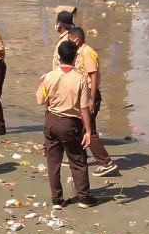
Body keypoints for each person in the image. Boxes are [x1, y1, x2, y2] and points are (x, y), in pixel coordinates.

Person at [52, 21, 116, 177]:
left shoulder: (87, 53)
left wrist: (92, 99)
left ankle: (106, 162)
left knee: (89, 129)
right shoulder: (80, 52)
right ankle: (79, 157)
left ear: (77, 40)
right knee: (80, 127)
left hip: (89, 94)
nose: (67, 42)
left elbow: (93, 76)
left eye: (69, 40)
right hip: (84, 93)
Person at [38, 41, 96, 209]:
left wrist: (42, 83)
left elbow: (40, 100)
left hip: (51, 120)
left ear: (59, 56)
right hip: (70, 123)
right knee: (77, 160)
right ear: (75, 58)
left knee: (53, 161)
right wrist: (88, 130)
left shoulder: (49, 76)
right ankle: (84, 197)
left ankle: (57, 199)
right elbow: (84, 107)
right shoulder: (80, 79)